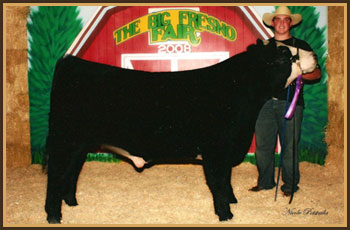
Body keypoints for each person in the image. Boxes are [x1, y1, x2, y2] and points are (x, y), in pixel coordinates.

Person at [249, 6, 322, 196]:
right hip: (264, 103)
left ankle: (290, 185)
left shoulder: (301, 46)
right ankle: (265, 182)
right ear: (272, 23)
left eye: (285, 19)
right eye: (278, 19)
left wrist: (296, 71)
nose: (281, 23)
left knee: (289, 146)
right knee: (263, 146)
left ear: (290, 23)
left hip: (290, 102)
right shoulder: (264, 47)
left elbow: (316, 74)